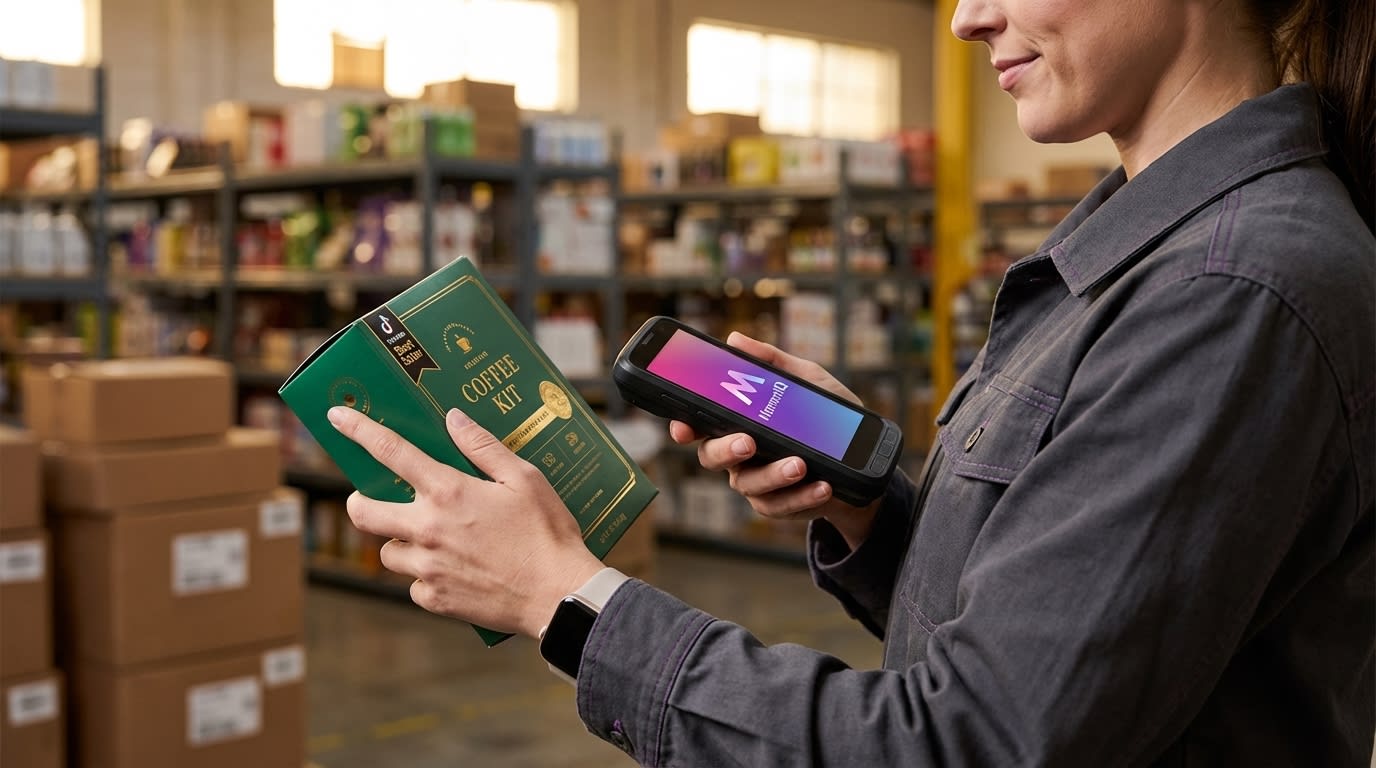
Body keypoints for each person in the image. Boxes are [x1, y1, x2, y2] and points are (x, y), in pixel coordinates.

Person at [326, 0, 1375, 763]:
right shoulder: (1140, 246)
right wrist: (870, 517)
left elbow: (972, 744)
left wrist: (563, 595)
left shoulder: (1230, 289)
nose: (965, 17)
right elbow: (1054, 636)